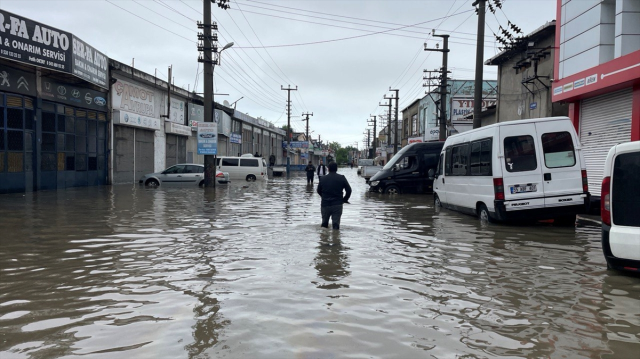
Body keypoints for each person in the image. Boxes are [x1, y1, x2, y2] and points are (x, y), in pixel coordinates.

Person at [316, 161, 352, 230]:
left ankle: (324, 239)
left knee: (324, 225)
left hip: (325, 204)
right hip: (337, 204)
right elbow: (349, 190)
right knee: (336, 225)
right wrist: (344, 200)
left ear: (328, 169)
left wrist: (324, 197)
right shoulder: (341, 178)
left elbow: (318, 190)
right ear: (337, 169)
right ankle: (336, 239)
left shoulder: (322, 178)